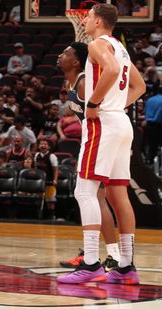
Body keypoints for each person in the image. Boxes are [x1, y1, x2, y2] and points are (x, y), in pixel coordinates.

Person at [58, 5, 146, 285]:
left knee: (84, 191)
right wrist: (117, 105)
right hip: (121, 122)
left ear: (97, 21)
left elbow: (108, 71)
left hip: (104, 123)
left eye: (88, 16)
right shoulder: (120, 48)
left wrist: (94, 103)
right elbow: (139, 86)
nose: (84, 20)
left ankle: (92, 263)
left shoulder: (97, 44)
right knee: (118, 194)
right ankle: (126, 266)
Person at [57, 42, 120, 271]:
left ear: (75, 61)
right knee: (97, 198)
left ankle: (97, 257)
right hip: (94, 140)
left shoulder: (84, 83)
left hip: (100, 140)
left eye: (65, 52)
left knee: (89, 196)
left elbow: (102, 111)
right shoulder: (72, 82)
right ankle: (108, 254)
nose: (60, 55)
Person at [143, 85, 162, 164]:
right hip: (160, 126)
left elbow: (145, 112)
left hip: (149, 126)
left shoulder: (149, 100)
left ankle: (151, 164)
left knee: (152, 147)